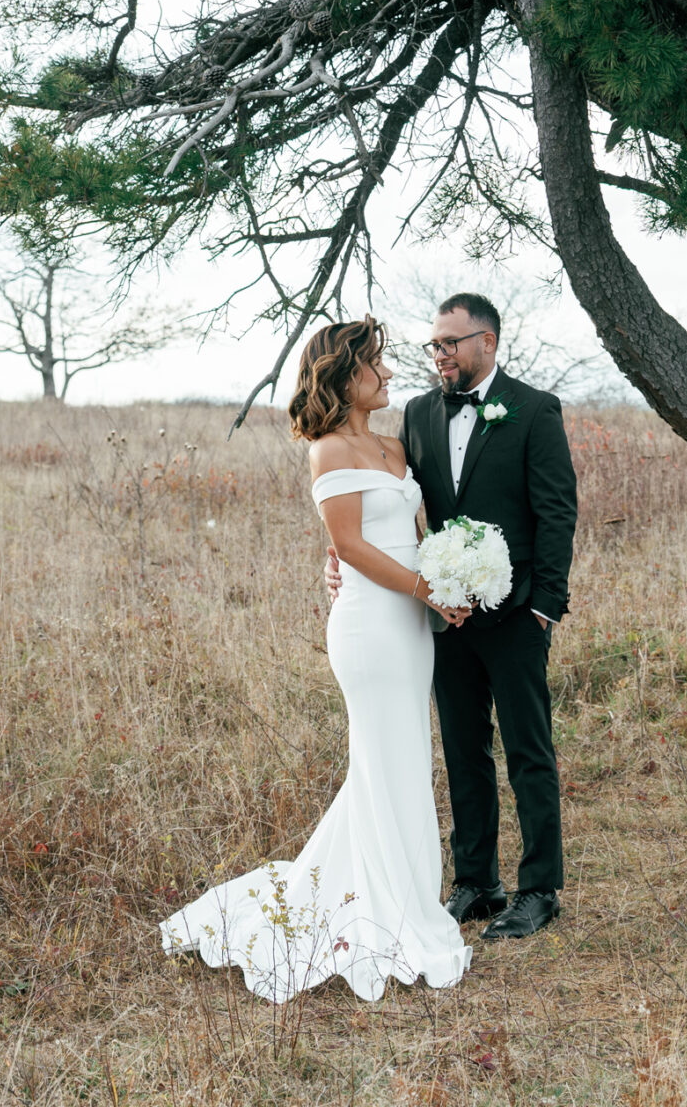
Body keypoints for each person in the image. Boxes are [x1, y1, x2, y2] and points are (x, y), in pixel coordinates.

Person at [160, 318, 473, 1001]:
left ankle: (407, 893)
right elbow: (354, 549)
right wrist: (423, 589)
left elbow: (410, 533)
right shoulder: (328, 451)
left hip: (412, 627)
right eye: (375, 367)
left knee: (402, 764)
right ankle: (381, 908)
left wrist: (446, 582)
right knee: (382, 759)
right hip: (369, 628)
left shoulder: (395, 445)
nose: (388, 376)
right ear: (342, 376)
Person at [400, 291, 579, 938]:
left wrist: (543, 608)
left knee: (529, 751)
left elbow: (557, 510)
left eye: (450, 342)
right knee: (462, 750)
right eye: (435, 344)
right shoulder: (417, 414)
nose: (440, 355)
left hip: (516, 613)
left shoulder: (533, 410)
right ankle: (475, 881)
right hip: (447, 619)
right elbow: (402, 508)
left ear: (488, 342)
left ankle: (539, 890)